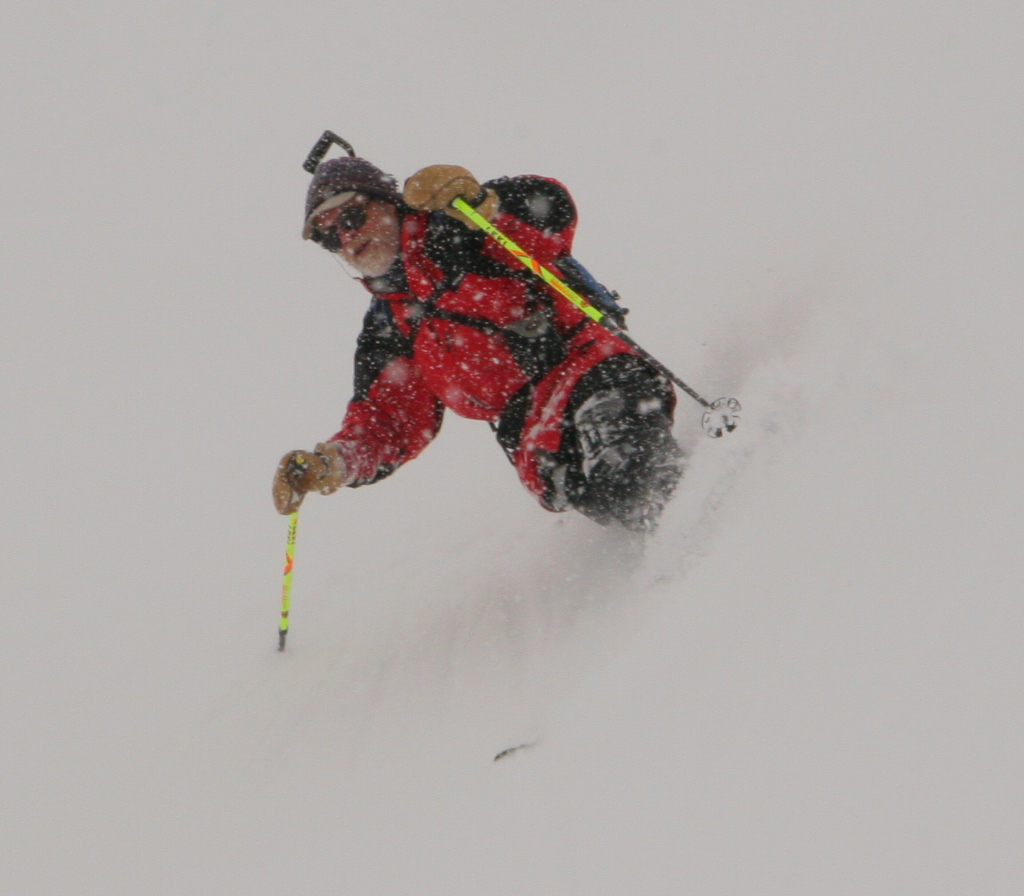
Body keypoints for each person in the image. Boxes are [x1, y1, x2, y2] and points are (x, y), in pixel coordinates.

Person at [272, 152, 684, 533]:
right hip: (536, 438)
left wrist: (485, 203)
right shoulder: (391, 324)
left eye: (352, 217)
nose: (346, 239)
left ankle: (704, 529)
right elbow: (390, 419)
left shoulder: (454, 225)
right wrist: (332, 463)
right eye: (329, 237)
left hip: (590, 369)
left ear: (387, 204)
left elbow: (551, 212)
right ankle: (685, 542)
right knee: (616, 502)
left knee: (629, 477)